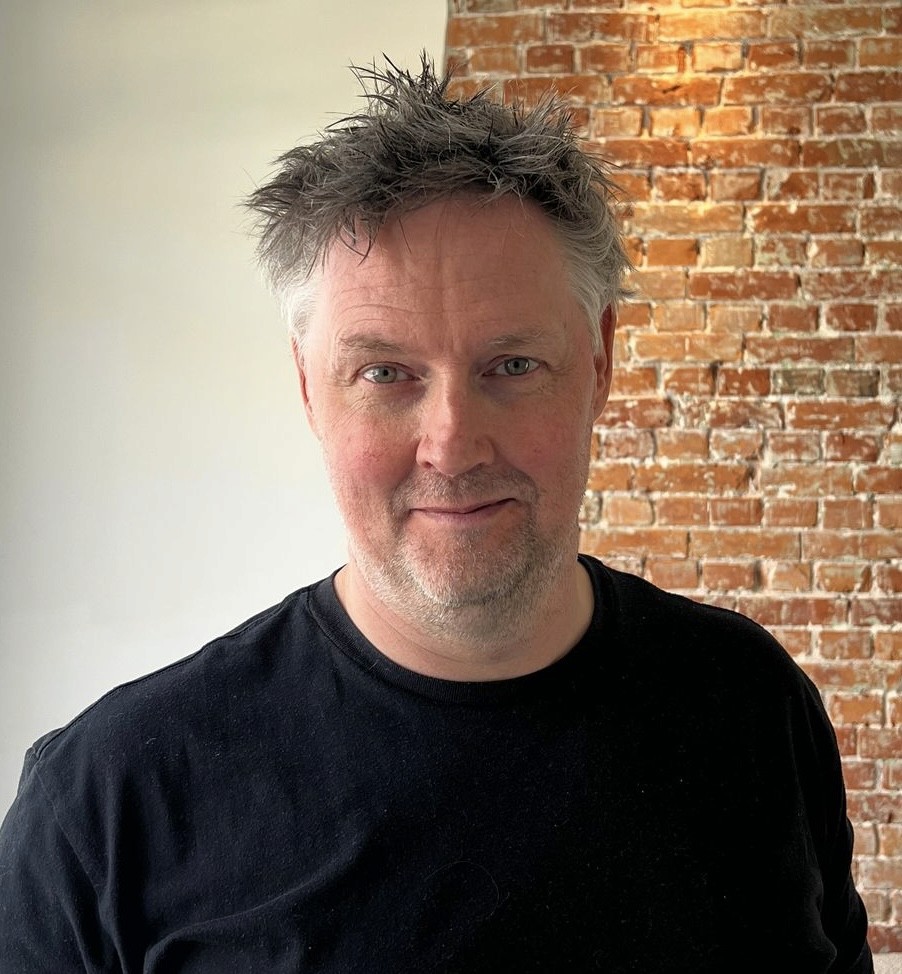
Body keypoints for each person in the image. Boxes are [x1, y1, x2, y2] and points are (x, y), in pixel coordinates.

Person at [0, 57, 872, 972]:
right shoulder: (109, 805)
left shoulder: (753, 707)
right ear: (309, 386)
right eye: (386, 373)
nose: (452, 446)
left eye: (513, 365)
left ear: (600, 361)